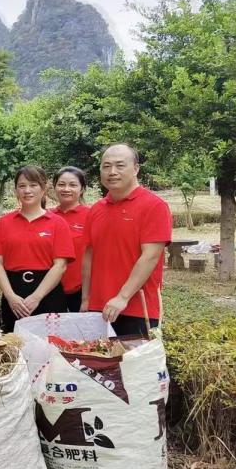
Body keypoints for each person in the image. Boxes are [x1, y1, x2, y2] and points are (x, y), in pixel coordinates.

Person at [82, 144, 172, 337]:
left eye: (120, 165)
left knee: (135, 366)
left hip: (137, 308)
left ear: (136, 168)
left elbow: (150, 257)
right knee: (98, 364)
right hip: (98, 308)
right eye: (106, 166)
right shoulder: (96, 209)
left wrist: (122, 297)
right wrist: (85, 300)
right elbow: (89, 256)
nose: (112, 172)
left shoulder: (154, 206)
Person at [0, 166, 75, 333]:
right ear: (16, 190)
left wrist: (37, 297)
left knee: (51, 348)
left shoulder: (57, 223)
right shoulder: (3, 223)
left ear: (43, 189)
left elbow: (60, 266)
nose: (27, 190)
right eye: (22, 186)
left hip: (48, 292)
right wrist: (10, 296)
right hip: (14, 293)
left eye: (33, 185)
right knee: (15, 346)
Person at [52, 166, 91, 312]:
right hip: (50, 289)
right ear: (54, 187)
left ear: (81, 189)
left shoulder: (91, 216)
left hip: (82, 290)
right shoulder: (47, 217)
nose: (66, 189)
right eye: (61, 184)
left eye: (73, 185)